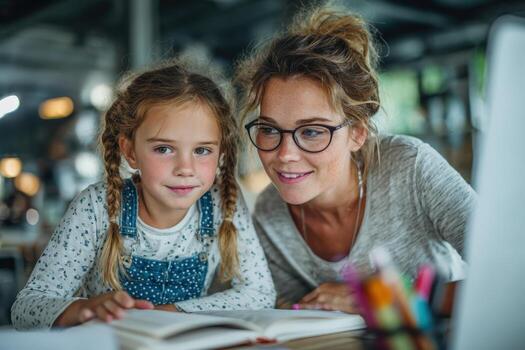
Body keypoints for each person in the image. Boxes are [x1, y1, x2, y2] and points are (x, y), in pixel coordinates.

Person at [236, 6, 474, 313]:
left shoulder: (410, 166)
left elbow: (509, 273)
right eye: (269, 129)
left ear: (358, 133)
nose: (284, 155)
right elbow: (296, 314)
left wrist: (376, 298)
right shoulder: (270, 212)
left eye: (311, 131)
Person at [11, 60, 275, 329]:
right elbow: (26, 308)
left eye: (202, 150)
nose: (185, 169)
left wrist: (170, 312)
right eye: (164, 149)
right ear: (130, 151)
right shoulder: (97, 206)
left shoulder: (224, 202)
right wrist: (81, 308)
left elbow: (261, 293)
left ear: (221, 151)